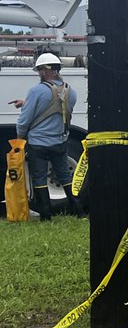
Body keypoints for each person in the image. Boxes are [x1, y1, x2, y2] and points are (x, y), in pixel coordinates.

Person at [8, 52, 81, 220]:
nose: (39, 74)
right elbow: (56, 106)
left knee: (39, 178)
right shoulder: (72, 92)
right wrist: (26, 102)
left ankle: (46, 216)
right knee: (64, 175)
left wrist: (20, 141)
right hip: (60, 141)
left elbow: (23, 122)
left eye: (40, 70)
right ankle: (78, 211)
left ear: (44, 71)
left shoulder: (36, 91)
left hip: (38, 144)